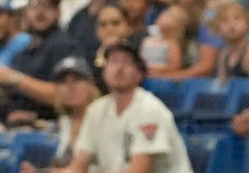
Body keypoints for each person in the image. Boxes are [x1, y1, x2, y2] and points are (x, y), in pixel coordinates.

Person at [61, 42, 193, 173]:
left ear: (140, 74)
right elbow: (78, 165)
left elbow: (139, 170)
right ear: (104, 72)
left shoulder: (150, 109)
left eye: (126, 63)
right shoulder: (96, 110)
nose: (119, 69)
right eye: (113, 62)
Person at [20, 57, 100, 172]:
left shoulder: (101, 118)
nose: (70, 87)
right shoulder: (65, 122)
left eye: (77, 80)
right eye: (63, 81)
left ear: (91, 84)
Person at [140, 5, 187, 76]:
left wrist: (154, 69)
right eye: (165, 13)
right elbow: (140, 60)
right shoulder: (147, 40)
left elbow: (174, 66)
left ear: (178, 25)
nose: (163, 15)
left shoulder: (172, 44)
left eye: (170, 15)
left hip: (161, 79)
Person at [212, 1, 249, 78]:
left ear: (247, 24)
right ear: (217, 29)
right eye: (225, 20)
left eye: (237, 18)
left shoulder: (247, 50)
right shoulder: (224, 54)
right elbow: (222, 83)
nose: (231, 24)